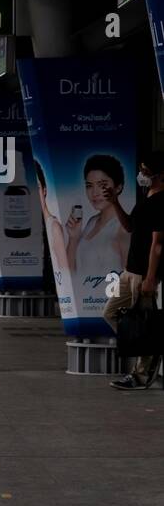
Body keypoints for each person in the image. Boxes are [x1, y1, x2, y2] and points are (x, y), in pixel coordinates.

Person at [103, 151, 164, 390]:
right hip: (130, 270)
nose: (142, 174)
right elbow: (130, 227)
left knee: (143, 322)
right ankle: (148, 347)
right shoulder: (147, 197)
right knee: (111, 312)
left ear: (160, 174)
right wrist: (114, 202)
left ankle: (141, 374)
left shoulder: (161, 203)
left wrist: (150, 279)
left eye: (146, 170)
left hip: (142, 274)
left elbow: (158, 245)